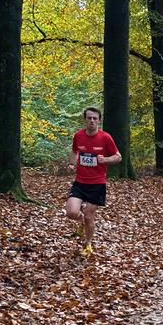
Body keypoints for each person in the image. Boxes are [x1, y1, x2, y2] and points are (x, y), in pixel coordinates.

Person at [65, 107, 122, 256]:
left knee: (90, 216)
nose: (92, 121)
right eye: (89, 118)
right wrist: (72, 163)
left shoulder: (105, 138)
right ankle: (81, 222)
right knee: (71, 212)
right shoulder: (78, 136)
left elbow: (118, 157)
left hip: (97, 183)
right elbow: (74, 151)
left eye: (95, 118)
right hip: (80, 181)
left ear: (99, 120)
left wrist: (106, 159)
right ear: (85, 119)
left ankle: (87, 244)